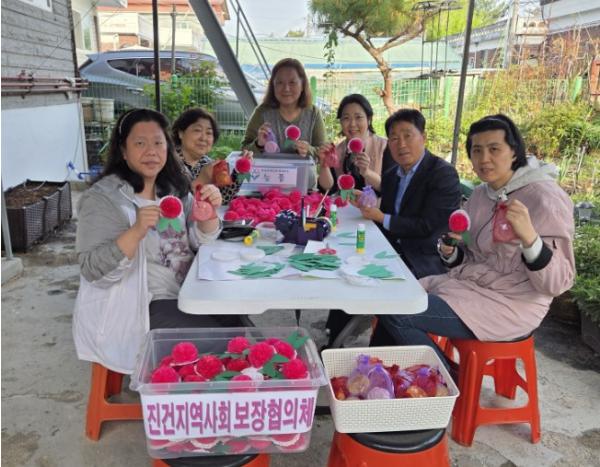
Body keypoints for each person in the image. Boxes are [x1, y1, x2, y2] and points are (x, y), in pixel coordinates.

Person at [374, 114, 575, 366]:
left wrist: (530, 239)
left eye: (494, 149)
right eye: (477, 150)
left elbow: (557, 283)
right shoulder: (481, 194)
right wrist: (450, 251)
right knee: (387, 298)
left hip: (512, 304)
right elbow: (467, 252)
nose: (484, 159)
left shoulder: (544, 198)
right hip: (467, 287)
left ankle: (447, 380)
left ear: (514, 152)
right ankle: (399, 374)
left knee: (398, 313)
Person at [72, 108, 243, 374]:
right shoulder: (103, 199)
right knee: (231, 347)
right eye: (140, 143)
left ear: (168, 147)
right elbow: (93, 269)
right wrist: (137, 230)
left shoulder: (172, 188)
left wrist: (207, 215)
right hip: (141, 308)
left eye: (158, 143)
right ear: (123, 150)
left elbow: (200, 241)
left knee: (243, 330)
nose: (151, 151)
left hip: (188, 291)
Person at [325, 108, 461, 347]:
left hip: (423, 256)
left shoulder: (443, 174)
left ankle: (381, 354)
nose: (401, 144)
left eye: (408, 135)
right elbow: (388, 216)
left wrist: (380, 216)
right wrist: (366, 202)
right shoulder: (391, 174)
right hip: (392, 249)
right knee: (345, 267)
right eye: (395, 138)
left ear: (423, 137)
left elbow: (428, 226)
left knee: (389, 297)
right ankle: (334, 341)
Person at [241, 58, 326, 188]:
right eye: (279, 83)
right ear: (273, 86)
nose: (286, 88)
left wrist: (309, 150)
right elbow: (244, 150)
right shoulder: (262, 112)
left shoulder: (313, 113)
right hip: (265, 188)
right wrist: (258, 144)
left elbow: (323, 153)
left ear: (303, 85)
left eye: (292, 82)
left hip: (304, 188)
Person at [172, 107, 252, 204]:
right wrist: (201, 180)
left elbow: (224, 199)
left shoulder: (209, 163)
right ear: (180, 133)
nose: (203, 138)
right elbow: (171, 203)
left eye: (209, 133)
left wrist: (240, 171)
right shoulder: (167, 162)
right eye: (197, 130)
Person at [317, 94, 392, 192]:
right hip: (343, 202)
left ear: (369, 119)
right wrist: (324, 164)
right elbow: (328, 188)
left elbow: (390, 189)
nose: (352, 124)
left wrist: (367, 172)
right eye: (346, 118)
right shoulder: (337, 151)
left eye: (358, 117)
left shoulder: (385, 147)